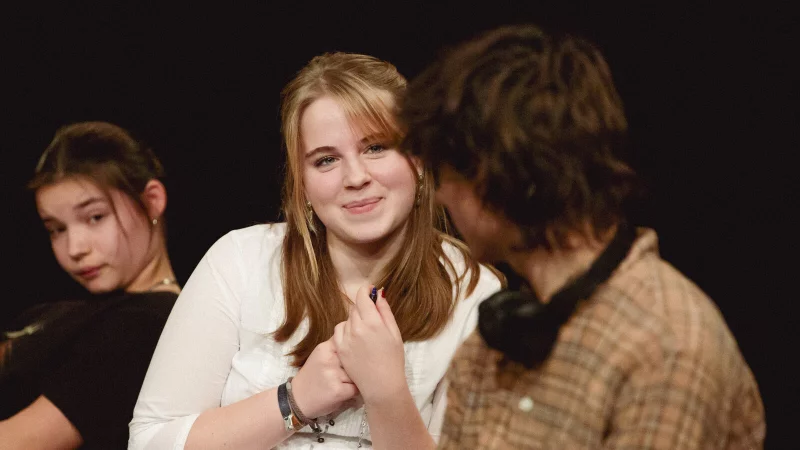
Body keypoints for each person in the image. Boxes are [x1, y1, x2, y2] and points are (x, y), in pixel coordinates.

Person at [399, 24, 766, 449]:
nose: (440, 193)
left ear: (487, 177)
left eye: (444, 172)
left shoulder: (667, 350)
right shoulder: (494, 342)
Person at [128, 52, 501, 449]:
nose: (356, 177)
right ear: (302, 183)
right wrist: (294, 400)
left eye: (376, 147)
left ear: (420, 158)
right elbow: (151, 441)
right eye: (326, 160)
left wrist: (387, 394)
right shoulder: (240, 261)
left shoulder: (472, 294)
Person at [0, 121, 181, 450]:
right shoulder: (69, 314)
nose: (75, 248)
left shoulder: (145, 326)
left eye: (95, 217)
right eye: (56, 229)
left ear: (152, 200)